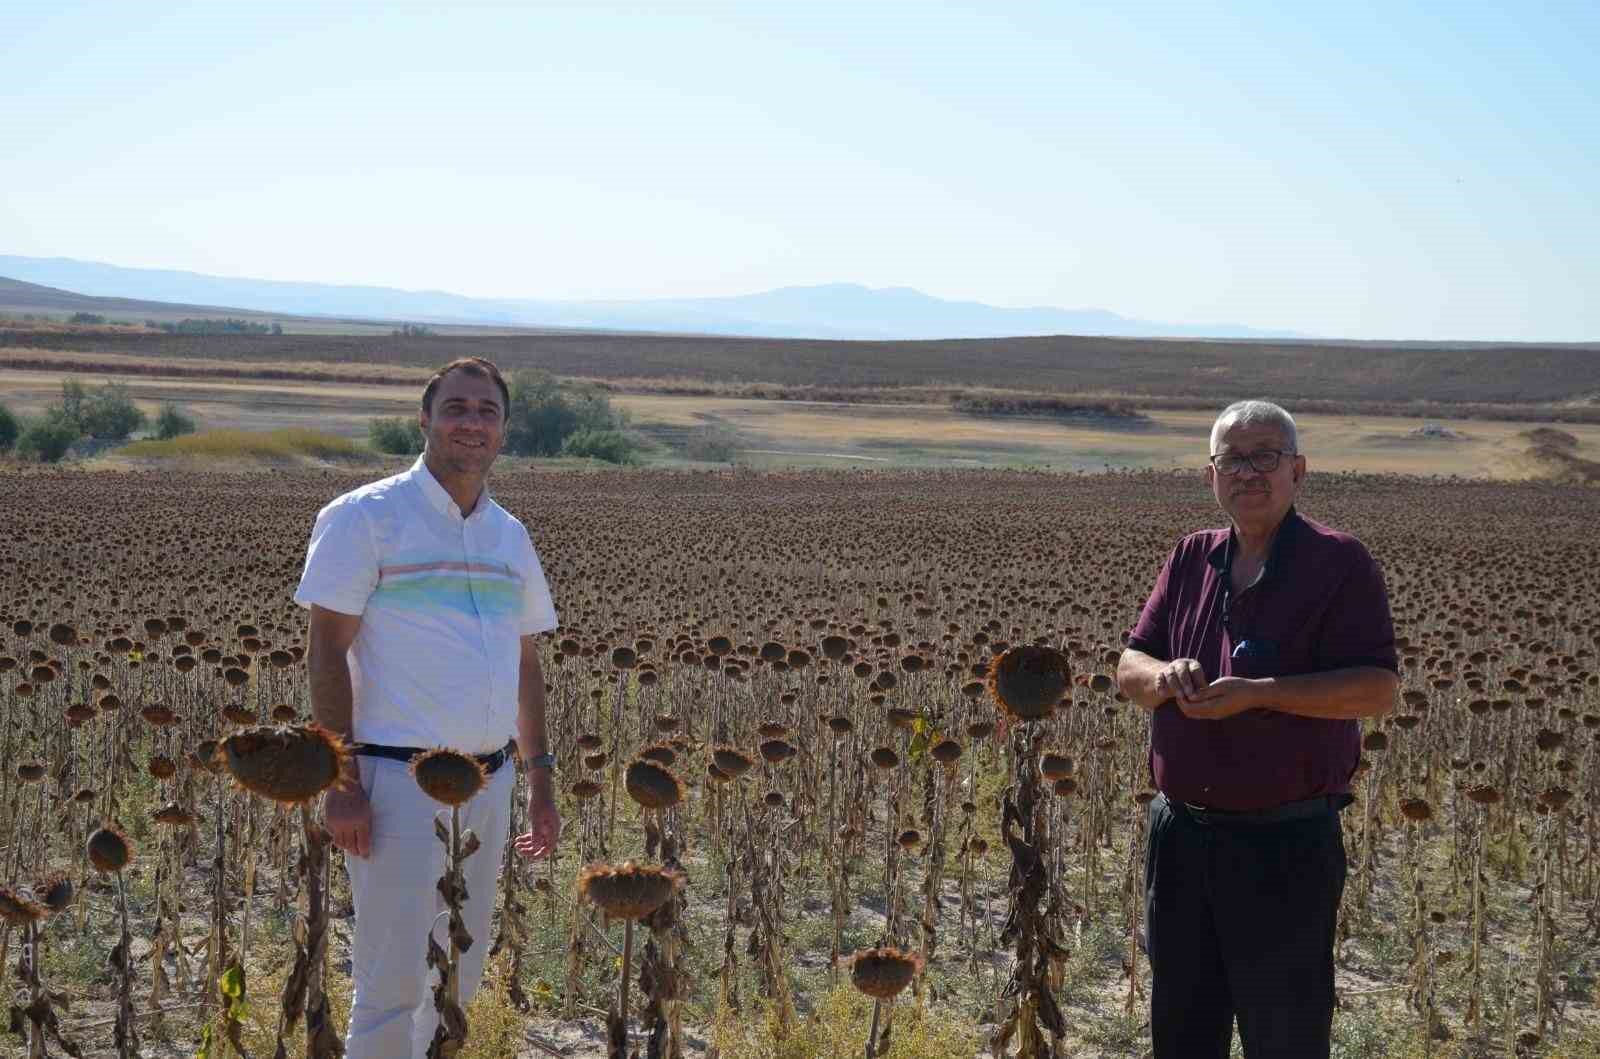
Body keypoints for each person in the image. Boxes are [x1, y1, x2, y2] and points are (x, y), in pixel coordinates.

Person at [293, 356, 561, 1058]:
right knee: (391, 982)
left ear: (504, 429)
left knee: (459, 976)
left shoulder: (510, 535)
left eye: (486, 411)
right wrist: (341, 783)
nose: (471, 422)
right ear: (425, 417)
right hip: (393, 783)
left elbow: (526, 664)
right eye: (457, 407)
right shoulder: (366, 518)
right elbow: (326, 652)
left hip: (489, 781)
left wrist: (540, 782)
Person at [1116, 399, 1398, 1059]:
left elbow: (1378, 687)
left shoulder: (1340, 564)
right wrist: (1166, 677)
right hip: (1182, 839)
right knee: (1183, 1031)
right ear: (1211, 474)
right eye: (1232, 458)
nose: (1248, 471)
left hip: (1285, 845)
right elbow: (1130, 662)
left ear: (1298, 470)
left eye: (1265, 455)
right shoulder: (1190, 557)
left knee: (1286, 1036)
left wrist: (1260, 696)